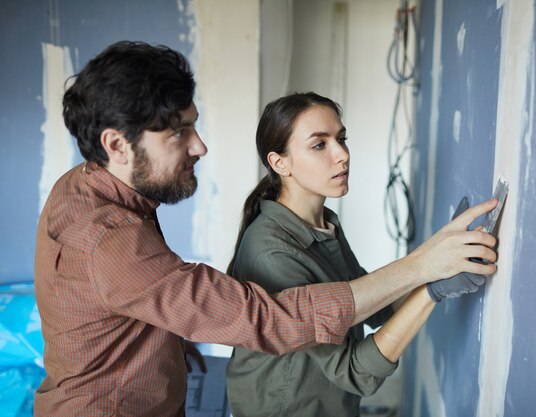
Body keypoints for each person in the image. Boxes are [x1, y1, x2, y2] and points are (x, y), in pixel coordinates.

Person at [33, 41, 497, 417]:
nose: (200, 147)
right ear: (116, 145)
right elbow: (267, 319)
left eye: (195, 127)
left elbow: (136, 292)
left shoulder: (93, 185)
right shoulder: (108, 239)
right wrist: (424, 270)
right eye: (178, 133)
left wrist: (166, 343)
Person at [225, 92, 497, 417]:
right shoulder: (271, 252)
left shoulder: (322, 224)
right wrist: (430, 285)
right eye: (319, 144)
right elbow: (355, 371)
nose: (342, 155)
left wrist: (439, 265)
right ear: (279, 162)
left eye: (341, 139)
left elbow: (373, 305)